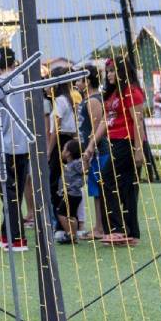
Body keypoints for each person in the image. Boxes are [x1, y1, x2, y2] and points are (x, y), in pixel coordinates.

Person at [94, 57, 147, 246]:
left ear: (122, 72)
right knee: (127, 188)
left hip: (130, 142)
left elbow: (138, 121)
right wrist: (91, 145)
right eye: (107, 71)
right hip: (116, 143)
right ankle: (131, 234)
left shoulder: (131, 91)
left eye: (112, 71)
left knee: (107, 179)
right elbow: (104, 121)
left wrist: (139, 150)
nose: (108, 75)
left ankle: (116, 230)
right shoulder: (113, 93)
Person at [0, 48, 31, 252]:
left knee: (9, 193)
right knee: (16, 191)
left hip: (6, 145)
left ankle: (18, 239)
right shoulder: (26, 79)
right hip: (25, 143)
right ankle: (7, 233)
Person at [71, 64, 107, 239]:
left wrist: (89, 151)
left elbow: (97, 127)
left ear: (88, 81)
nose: (77, 83)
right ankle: (99, 226)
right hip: (91, 152)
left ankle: (101, 227)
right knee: (95, 190)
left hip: (98, 152)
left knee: (99, 190)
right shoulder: (86, 100)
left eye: (80, 79)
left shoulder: (93, 100)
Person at [47, 76, 77, 232]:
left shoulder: (59, 100)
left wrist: (49, 151)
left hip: (60, 142)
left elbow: (55, 130)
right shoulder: (67, 99)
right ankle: (68, 222)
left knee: (55, 184)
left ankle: (60, 223)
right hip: (67, 140)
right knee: (65, 183)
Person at [55, 141, 86, 244]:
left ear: (68, 153)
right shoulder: (69, 164)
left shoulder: (76, 163)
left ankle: (70, 234)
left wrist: (86, 161)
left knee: (61, 213)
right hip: (73, 194)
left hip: (72, 194)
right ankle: (73, 236)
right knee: (72, 215)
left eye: (64, 149)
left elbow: (83, 171)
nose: (62, 151)